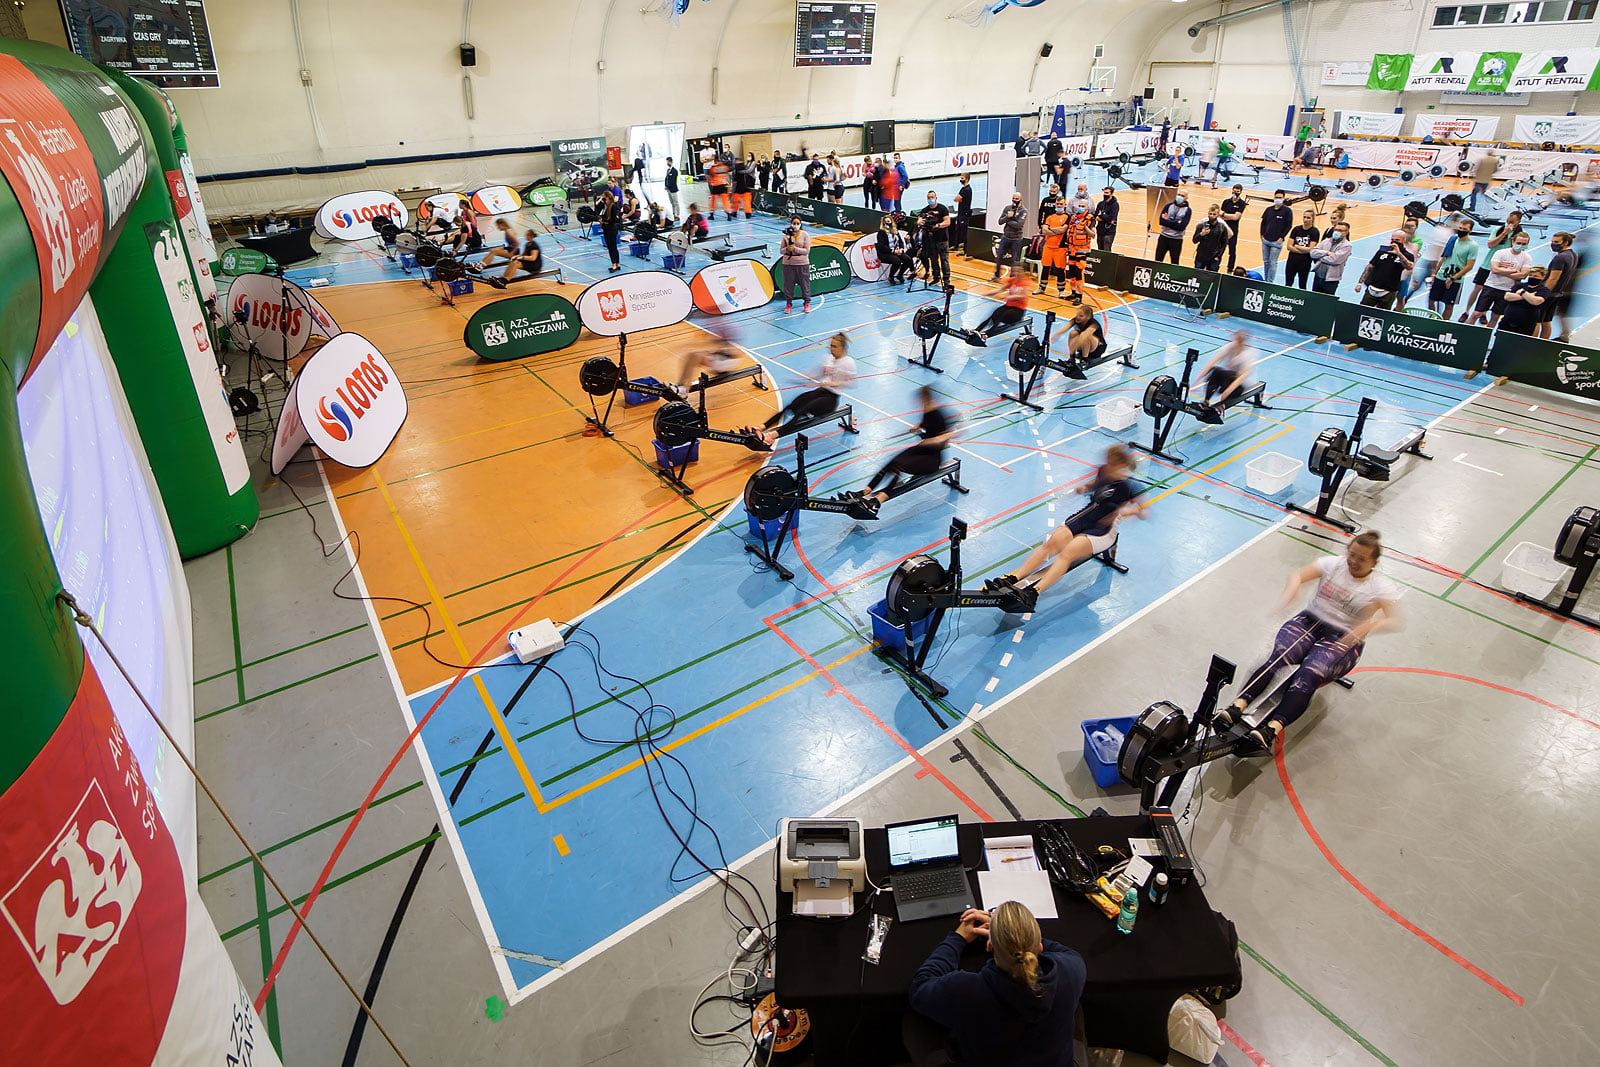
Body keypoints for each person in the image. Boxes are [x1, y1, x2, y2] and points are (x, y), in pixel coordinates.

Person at [1215, 532, 1401, 750]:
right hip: (1309, 621)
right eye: (1352, 554)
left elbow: (1394, 619)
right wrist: (1291, 592)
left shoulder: (1379, 586)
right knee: (1279, 657)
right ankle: (1238, 706)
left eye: (1362, 559)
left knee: (1310, 673)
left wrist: (1368, 626)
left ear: (1374, 563)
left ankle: (1271, 729)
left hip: (1343, 636)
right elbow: (1298, 575)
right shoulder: (1333, 564)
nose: (1354, 561)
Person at [904, 902, 1086, 1067]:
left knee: (912, 1023)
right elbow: (1066, 952)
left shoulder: (967, 990)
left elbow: (921, 986)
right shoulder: (1071, 970)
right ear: (1039, 948)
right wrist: (1018, 934)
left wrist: (958, 937)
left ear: (989, 946)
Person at [986, 445, 1147, 609]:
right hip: (1083, 517)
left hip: (1103, 530)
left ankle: (1033, 593)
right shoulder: (1103, 470)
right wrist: (1084, 487)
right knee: (1051, 544)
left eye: (1111, 462)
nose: (1108, 465)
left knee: (1068, 553)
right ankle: (1012, 578)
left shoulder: (1130, 487)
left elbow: (1144, 511)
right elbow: (1096, 484)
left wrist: (1126, 511)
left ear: (1121, 464)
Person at [850, 387, 956, 513]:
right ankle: (865, 491)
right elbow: (928, 424)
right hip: (921, 450)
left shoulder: (938, 415)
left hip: (932, 458)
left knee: (898, 466)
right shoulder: (927, 411)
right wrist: (918, 426)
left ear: (926, 398)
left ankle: (877, 502)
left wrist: (933, 440)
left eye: (921, 400)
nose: (918, 402)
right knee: (892, 462)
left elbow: (944, 437)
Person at [759, 333, 855, 443]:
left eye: (834, 346)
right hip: (821, 392)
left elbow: (852, 383)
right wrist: (805, 377)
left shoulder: (848, 362)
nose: (831, 349)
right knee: (792, 405)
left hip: (831, 399)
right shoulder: (829, 359)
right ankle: (762, 427)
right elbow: (821, 374)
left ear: (843, 348)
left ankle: (772, 435)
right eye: (830, 346)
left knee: (801, 411)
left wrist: (831, 384)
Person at [1464, 230, 1532, 327]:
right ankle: (1465, 331)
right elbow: (1495, 269)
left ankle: (1486, 334)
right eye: (1519, 243)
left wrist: (1503, 271)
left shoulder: (1527, 257)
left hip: (1507, 290)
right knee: (1476, 314)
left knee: (1495, 317)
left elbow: (1523, 275)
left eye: (1524, 244)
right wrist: (1514, 271)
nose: (1521, 245)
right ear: (1513, 241)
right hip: (1491, 286)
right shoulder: (1500, 253)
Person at [1458, 212, 1519, 316]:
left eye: (1512, 222)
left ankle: (1483, 314)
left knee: (1492, 291)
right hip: (1488, 265)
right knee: (1477, 288)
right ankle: (1467, 311)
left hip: (1502, 268)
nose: (1509, 224)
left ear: (1518, 222)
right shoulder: (1498, 230)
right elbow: (1490, 245)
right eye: (1508, 221)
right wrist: (1504, 233)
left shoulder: (1519, 234)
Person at [1426, 218, 1478, 320]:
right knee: (1431, 300)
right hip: (1441, 276)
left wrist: (1453, 278)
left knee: (1449, 305)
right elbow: (1443, 258)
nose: (1461, 230)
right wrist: (1434, 274)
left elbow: (1469, 266)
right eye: (1460, 228)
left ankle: (1443, 324)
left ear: (1470, 230)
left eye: (1465, 229)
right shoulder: (1452, 240)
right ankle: (1431, 320)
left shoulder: (1472, 246)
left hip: (1455, 280)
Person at [1199, 331, 1254, 419]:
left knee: (1230, 375)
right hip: (1228, 380)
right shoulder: (1231, 346)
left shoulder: (1247, 355)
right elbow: (1215, 360)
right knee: (1217, 371)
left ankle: (1223, 405)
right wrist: (1200, 376)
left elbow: (1242, 377)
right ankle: (1206, 401)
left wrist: (1227, 392)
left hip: (1239, 385)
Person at [1355, 229, 1414, 311]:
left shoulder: (1407, 255)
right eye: (1392, 240)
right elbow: (1369, 267)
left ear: (1404, 240)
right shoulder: (1382, 252)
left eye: (1397, 240)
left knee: (1382, 315)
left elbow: (1409, 267)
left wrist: (1399, 254)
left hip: (1389, 291)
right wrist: (1359, 283)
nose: (1394, 242)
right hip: (1372, 288)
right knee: (1362, 311)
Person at [970, 272, 1030, 341]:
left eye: (1019, 271)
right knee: (995, 314)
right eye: (1016, 271)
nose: (1017, 273)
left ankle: (987, 335)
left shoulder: (1025, 283)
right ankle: (977, 330)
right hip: (1008, 306)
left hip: (1018, 310)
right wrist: (986, 293)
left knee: (1002, 315)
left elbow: (1023, 296)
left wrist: (1011, 297)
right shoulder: (1012, 280)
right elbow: (998, 290)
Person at [1542, 231, 1578, 339]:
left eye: (1556, 242)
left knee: (1538, 321)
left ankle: (1532, 342)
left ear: (1566, 242)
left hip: (1550, 294)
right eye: (1552, 241)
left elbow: (1553, 278)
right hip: (1557, 294)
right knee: (1546, 320)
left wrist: (1543, 293)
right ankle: (1543, 342)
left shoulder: (1560, 258)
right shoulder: (1573, 255)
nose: (1553, 244)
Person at [1498, 265, 1550, 336]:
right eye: (1530, 275)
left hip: (1526, 326)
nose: (1532, 277)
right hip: (1507, 322)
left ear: (1543, 277)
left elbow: (1535, 301)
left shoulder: (1543, 290)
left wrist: (1522, 292)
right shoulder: (1520, 285)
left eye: (1535, 276)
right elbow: (1507, 296)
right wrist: (1527, 297)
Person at [918, 192, 954, 289]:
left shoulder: (942, 209)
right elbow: (919, 220)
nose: (930, 199)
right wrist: (920, 222)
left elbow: (948, 222)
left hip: (942, 239)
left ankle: (946, 281)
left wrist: (938, 225)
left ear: (936, 198)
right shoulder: (925, 210)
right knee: (933, 260)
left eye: (932, 197)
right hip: (930, 239)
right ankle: (936, 277)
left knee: (944, 260)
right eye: (929, 197)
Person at [1036, 200, 1071, 299]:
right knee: (1045, 268)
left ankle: (1061, 291)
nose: (1059, 205)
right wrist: (1057, 230)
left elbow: (1063, 230)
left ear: (1065, 205)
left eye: (1061, 204)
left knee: (1060, 270)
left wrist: (1050, 229)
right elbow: (1044, 231)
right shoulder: (1050, 217)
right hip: (1048, 247)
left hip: (1060, 248)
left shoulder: (1067, 217)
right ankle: (1042, 288)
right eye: (1057, 204)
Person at [1258, 191, 1292, 284]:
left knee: (1273, 263)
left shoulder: (1287, 211)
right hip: (1266, 240)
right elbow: (1263, 223)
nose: (1278, 199)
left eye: (1280, 197)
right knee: (1266, 261)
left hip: (1276, 242)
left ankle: (1270, 282)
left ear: (1283, 198)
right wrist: (1262, 234)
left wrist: (1281, 237)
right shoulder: (1268, 209)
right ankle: (1266, 280)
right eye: (1276, 197)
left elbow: (1289, 225)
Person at [1308, 221, 1351, 295]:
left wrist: (1320, 257)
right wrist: (1327, 253)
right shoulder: (1326, 241)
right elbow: (1313, 253)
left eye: (1340, 230)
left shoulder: (1346, 246)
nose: (1337, 232)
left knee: (1327, 300)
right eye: (1336, 229)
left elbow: (1335, 260)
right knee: (1314, 298)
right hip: (1318, 277)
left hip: (1331, 280)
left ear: (1346, 233)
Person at [780, 215, 812, 313]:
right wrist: (787, 249)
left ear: (800, 224)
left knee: (804, 284)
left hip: (802, 264)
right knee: (788, 285)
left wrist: (795, 249)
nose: (796, 225)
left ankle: (806, 303)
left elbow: (806, 250)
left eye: (798, 223)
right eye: (794, 223)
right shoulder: (786, 236)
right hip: (788, 264)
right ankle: (788, 303)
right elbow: (781, 251)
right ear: (791, 224)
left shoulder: (805, 235)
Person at [993, 192, 1028, 281]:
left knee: (1015, 260)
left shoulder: (1023, 211)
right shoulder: (1007, 208)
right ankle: (996, 275)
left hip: (1016, 239)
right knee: (999, 256)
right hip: (1006, 236)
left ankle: (1012, 279)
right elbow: (1000, 221)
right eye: (1013, 198)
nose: (1014, 200)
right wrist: (1007, 217)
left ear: (1021, 200)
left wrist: (1008, 221)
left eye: (1017, 199)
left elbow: (1019, 225)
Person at [1062, 208, 1093, 305]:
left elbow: (1093, 234)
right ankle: (1074, 293)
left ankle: (1079, 296)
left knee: (1079, 273)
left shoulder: (1090, 219)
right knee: (1072, 273)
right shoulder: (1074, 219)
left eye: (1083, 206)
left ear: (1086, 208)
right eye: (1079, 205)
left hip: (1082, 251)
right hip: (1072, 251)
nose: (1080, 207)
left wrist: (1085, 227)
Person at [1063, 301, 1108, 368]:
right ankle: (1072, 358)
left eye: (1081, 316)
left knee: (1085, 336)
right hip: (1085, 348)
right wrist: (1052, 338)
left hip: (1097, 348)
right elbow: (1063, 330)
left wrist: (1074, 346)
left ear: (1088, 317)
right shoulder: (1076, 320)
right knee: (1073, 333)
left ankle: (1084, 360)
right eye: (1077, 315)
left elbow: (1084, 335)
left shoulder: (1094, 324)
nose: (1078, 317)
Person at [1284, 210, 1319, 290]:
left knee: (1302, 284)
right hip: (1292, 260)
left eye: (1308, 218)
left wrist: (1297, 246)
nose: (1305, 219)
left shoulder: (1314, 231)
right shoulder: (1296, 229)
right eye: (1304, 217)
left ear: (1313, 219)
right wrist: (1302, 250)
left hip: (1305, 262)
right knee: (1288, 283)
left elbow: (1310, 249)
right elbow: (1289, 246)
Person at [1153, 192, 1192, 264]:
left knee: (1175, 262)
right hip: (1163, 237)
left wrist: (1168, 220)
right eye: (1178, 194)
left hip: (1176, 240)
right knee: (1158, 259)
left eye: (1182, 196)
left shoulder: (1188, 210)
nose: (1180, 197)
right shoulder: (1168, 206)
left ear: (1186, 198)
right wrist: (1176, 222)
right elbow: (1161, 221)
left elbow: (1181, 227)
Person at [1191, 204, 1232, 272]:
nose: (1211, 216)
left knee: (1212, 276)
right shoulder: (1201, 226)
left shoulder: (1222, 228)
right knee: (1197, 274)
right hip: (1201, 256)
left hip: (1214, 257)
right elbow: (1194, 240)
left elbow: (1224, 243)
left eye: (1214, 214)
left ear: (1218, 215)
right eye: (1210, 214)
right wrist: (1201, 234)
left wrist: (1218, 256)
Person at [877, 215, 914, 284]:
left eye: (889, 221)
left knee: (908, 259)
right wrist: (893, 251)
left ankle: (900, 275)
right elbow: (882, 246)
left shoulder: (895, 231)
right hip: (886, 253)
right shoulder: (881, 232)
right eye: (886, 222)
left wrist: (901, 249)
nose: (888, 223)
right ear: (883, 223)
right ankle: (891, 277)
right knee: (897, 261)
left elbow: (900, 241)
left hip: (897, 251)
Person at [1219, 184, 1247, 272]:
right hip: (1223, 228)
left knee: (1232, 251)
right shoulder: (1226, 202)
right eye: (1234, 191)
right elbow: (1220, 215)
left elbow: (1236, 217)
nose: (1235, 193)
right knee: (1219, 249)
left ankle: (1230, 269)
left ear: (1241, 192)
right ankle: (1216, 264)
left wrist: (1225, 215)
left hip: (1233, 230)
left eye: (1238, 191)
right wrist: (1227, 216)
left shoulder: (1242, 203)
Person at [597, 189, 623, 271]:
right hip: (606, 228)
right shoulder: (605, 206)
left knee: (613, 247)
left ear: (608, 197)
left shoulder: (613, 206)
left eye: (604, 197)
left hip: (611, 229)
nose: (603, 199)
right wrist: (599, 202)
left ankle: (615, 263)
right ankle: (615, 263)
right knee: (610, 247)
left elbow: (613, 219)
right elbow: (597, 210)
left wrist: (604, 221)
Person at [1093, 186, 1119, 252]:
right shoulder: (1100, 204)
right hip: (1100, 230)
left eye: (1107, 193)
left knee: (1106, 250)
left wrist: (1101, 216)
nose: (1105, 194)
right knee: (1100, 250)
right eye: (1104, 192)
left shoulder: (1115, 205)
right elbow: (1095, 215)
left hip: (1109, 231)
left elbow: (1111, 218)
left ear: (1112, 193)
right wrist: (1104, 217)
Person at [952, 174, 973, 252]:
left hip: (965, 214)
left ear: (966, 179)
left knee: (964, 232)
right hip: (960, 213)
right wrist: (959, 199)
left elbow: (957, 199)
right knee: (957, 230)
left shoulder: (967, 189)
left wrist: (959, 199)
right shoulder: (963, 189)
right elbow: (956, 199)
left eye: (962, 178)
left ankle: (965, 249)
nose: (961, 179)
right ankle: (956, 245)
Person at [663, 157, 682, 221]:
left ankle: (677, 215)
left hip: (673, 189)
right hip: (668, 189)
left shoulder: (674, 171)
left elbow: (673, 181)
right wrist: (665, 185)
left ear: (670, 162)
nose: (667, 163)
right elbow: (666, 179)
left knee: (676, 202)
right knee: (672, 203)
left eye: (667, 162)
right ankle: (674, 214)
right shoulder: (668, 170)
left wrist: (668, 186)